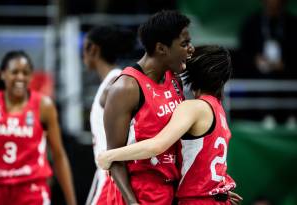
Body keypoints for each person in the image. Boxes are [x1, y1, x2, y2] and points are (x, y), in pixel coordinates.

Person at [98, 45, 242, 205]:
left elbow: (156, 145)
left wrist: (109, 155)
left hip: (197, 199)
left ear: (194, 71)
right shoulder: (219, 109)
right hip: (219, 197)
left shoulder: (193, 107)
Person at [0, 50, 77, 205]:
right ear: (2, 74)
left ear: (31, 76)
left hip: (32, 189)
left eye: (25, 73)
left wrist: (71, 201)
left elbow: (59, 155)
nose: (20, 77)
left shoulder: (44, 106)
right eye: (15, 72)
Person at [102, 10, 194, 205]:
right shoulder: (125, 88)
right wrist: (132, 203)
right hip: (139, 192)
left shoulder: (174, 79)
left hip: (171, 190)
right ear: (161, 48)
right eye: (184, 44)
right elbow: (113, 159)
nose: (191, 49)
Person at [82, 26, 135, 205]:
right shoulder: (113, 81)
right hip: (108, 172)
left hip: (111, 176)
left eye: (84, 49)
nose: (82, 56)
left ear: (93, 49)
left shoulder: (114, 84)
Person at [237, 0, 297, 79]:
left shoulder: (292, 24)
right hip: (256, 79)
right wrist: (255, 60)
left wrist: (285, 64)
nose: (273, 2)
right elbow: (243, 51)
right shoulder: (251, 23)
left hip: (288, 80)